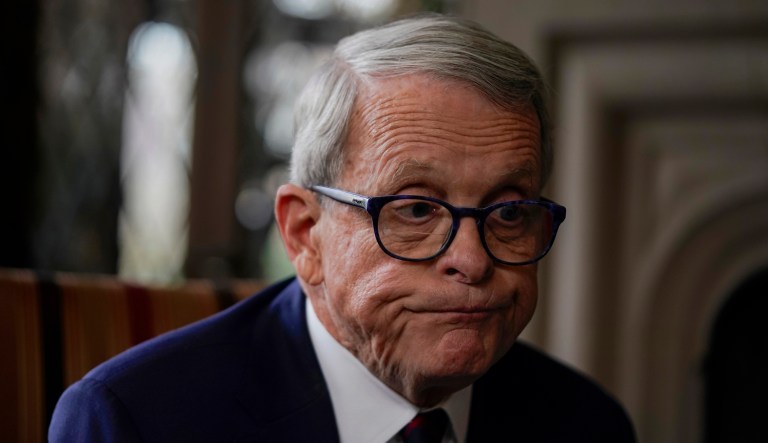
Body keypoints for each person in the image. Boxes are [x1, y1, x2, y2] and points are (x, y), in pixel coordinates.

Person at [50, 13, 636, 442]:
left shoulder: (586, 424)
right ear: (306, 234)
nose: (473, 260)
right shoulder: (134, 421)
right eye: (415, 210)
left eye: (508, 212)